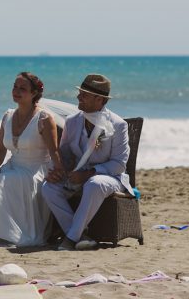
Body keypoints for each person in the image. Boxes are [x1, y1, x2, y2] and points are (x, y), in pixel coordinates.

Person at [0, 72, 64, 247]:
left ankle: (11, 234)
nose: (16, 91)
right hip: (13, 165)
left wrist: (59, 172)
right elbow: (0, 148)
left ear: (34, 93)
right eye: (15, 87)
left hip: (35, 169)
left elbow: (54, 150)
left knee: (3, 182)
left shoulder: (44, 118)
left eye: (22, 89)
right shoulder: (8, 116)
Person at [41, 73, 134, 251]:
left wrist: (88, 173)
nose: (78, 97)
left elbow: (119, 164)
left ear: (99, 100)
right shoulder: (72, 121)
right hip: (77, 175)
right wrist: (57, 170)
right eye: (80, 93)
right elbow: (66, 154)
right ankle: (80, 235)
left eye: (84, 94)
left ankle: (70, 238)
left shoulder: (118, 125)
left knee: (94, 183)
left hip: (109, 178)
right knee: (48, 187)